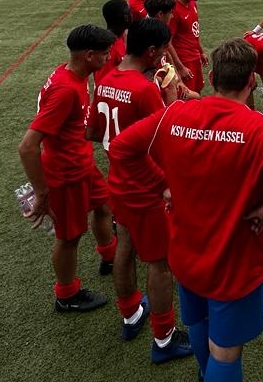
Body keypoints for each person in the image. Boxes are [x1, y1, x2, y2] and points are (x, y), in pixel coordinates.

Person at [111, 37, 263, 381]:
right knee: (225, 351)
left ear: (211, 79)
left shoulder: (173, 114)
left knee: (198, 322)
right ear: (251, 80)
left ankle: (204, 372)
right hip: (234, 261)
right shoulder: (262, 130)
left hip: (185, 253)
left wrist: (161, 186)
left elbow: (121, 149)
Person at [88, 20, 193, 362]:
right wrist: (172, 97)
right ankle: (163, 339)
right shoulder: (144, 90)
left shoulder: (105, 79)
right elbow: (167, 136)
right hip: (147, 187)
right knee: (160, 263)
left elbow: (93, 132)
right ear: (150, 51)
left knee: (125, 246)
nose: (164, 56)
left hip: (118, 181)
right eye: (162, 51)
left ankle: (131, 313)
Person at [17, 25, 117, 312]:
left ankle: (110, 257)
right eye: (105, 54)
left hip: (82, 163)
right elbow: (27, 146)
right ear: (89, 55)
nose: (108, 58)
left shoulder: (74, 74)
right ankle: (67, 294)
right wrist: (42, 192)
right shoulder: (65, 90)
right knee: (69, 236)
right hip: (66, 174)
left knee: (104, 207)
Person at [167, 0, 208, 94]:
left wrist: (201, 51)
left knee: (198, 90)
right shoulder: (174, 10)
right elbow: (168, 42)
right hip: (184, 59)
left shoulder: (193, 4)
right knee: (187, 95)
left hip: (195, 56)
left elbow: (194, 31)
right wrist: (180, 67)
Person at [98, 0, 133, 84]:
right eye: (130, 12)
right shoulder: (109, 48)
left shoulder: (122, 36)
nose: (132, 15)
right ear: (126, 17)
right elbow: (103, 83)